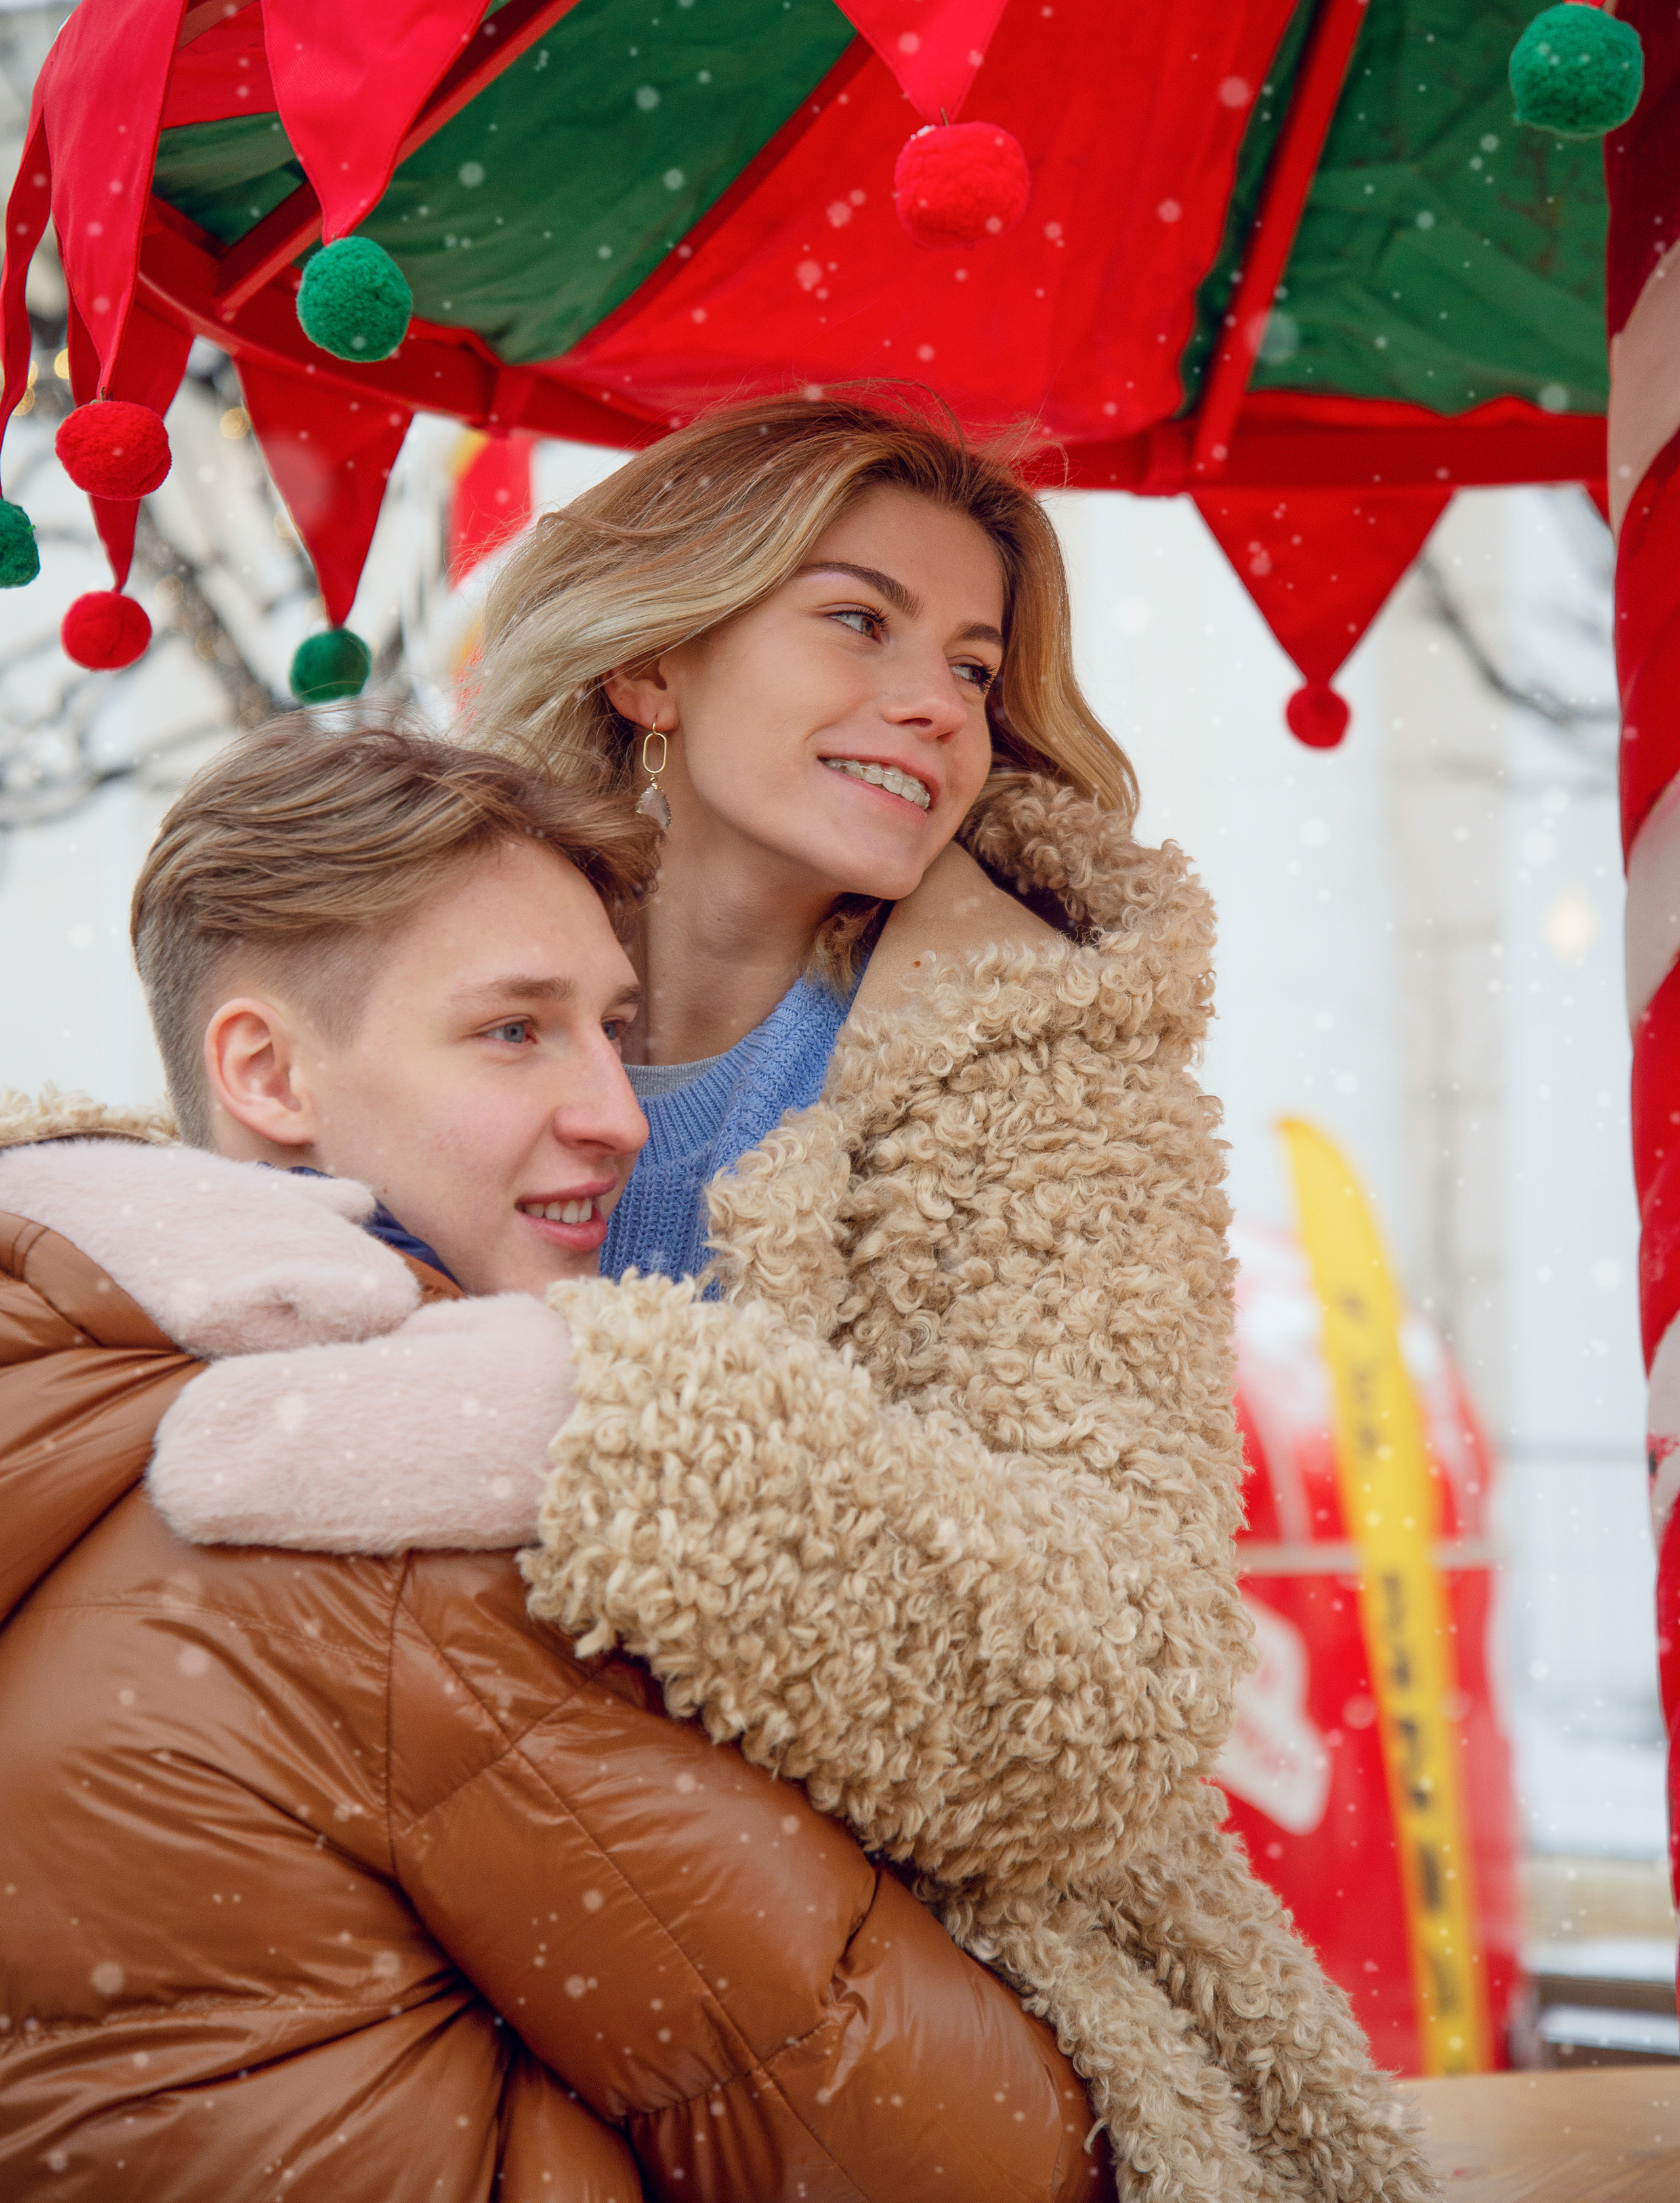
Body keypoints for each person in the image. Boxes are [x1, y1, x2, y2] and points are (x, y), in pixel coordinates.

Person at [156, 396, 1440, 2203]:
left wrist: (603, 1428)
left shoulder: (1043, 1084)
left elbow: (1116, 1679)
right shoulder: (433, 985)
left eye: (974, 666)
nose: (939, 705)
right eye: (859, 622)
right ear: (653, 665)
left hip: (919, 1986)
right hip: (456, 1930)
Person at [0, 717, 1110, 2203]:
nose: (616, 1116)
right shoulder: (384, 1532)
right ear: (266, 1072)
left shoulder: (77, 1395)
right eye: (515, 1031)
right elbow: (962, 2158)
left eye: (613, 1029)